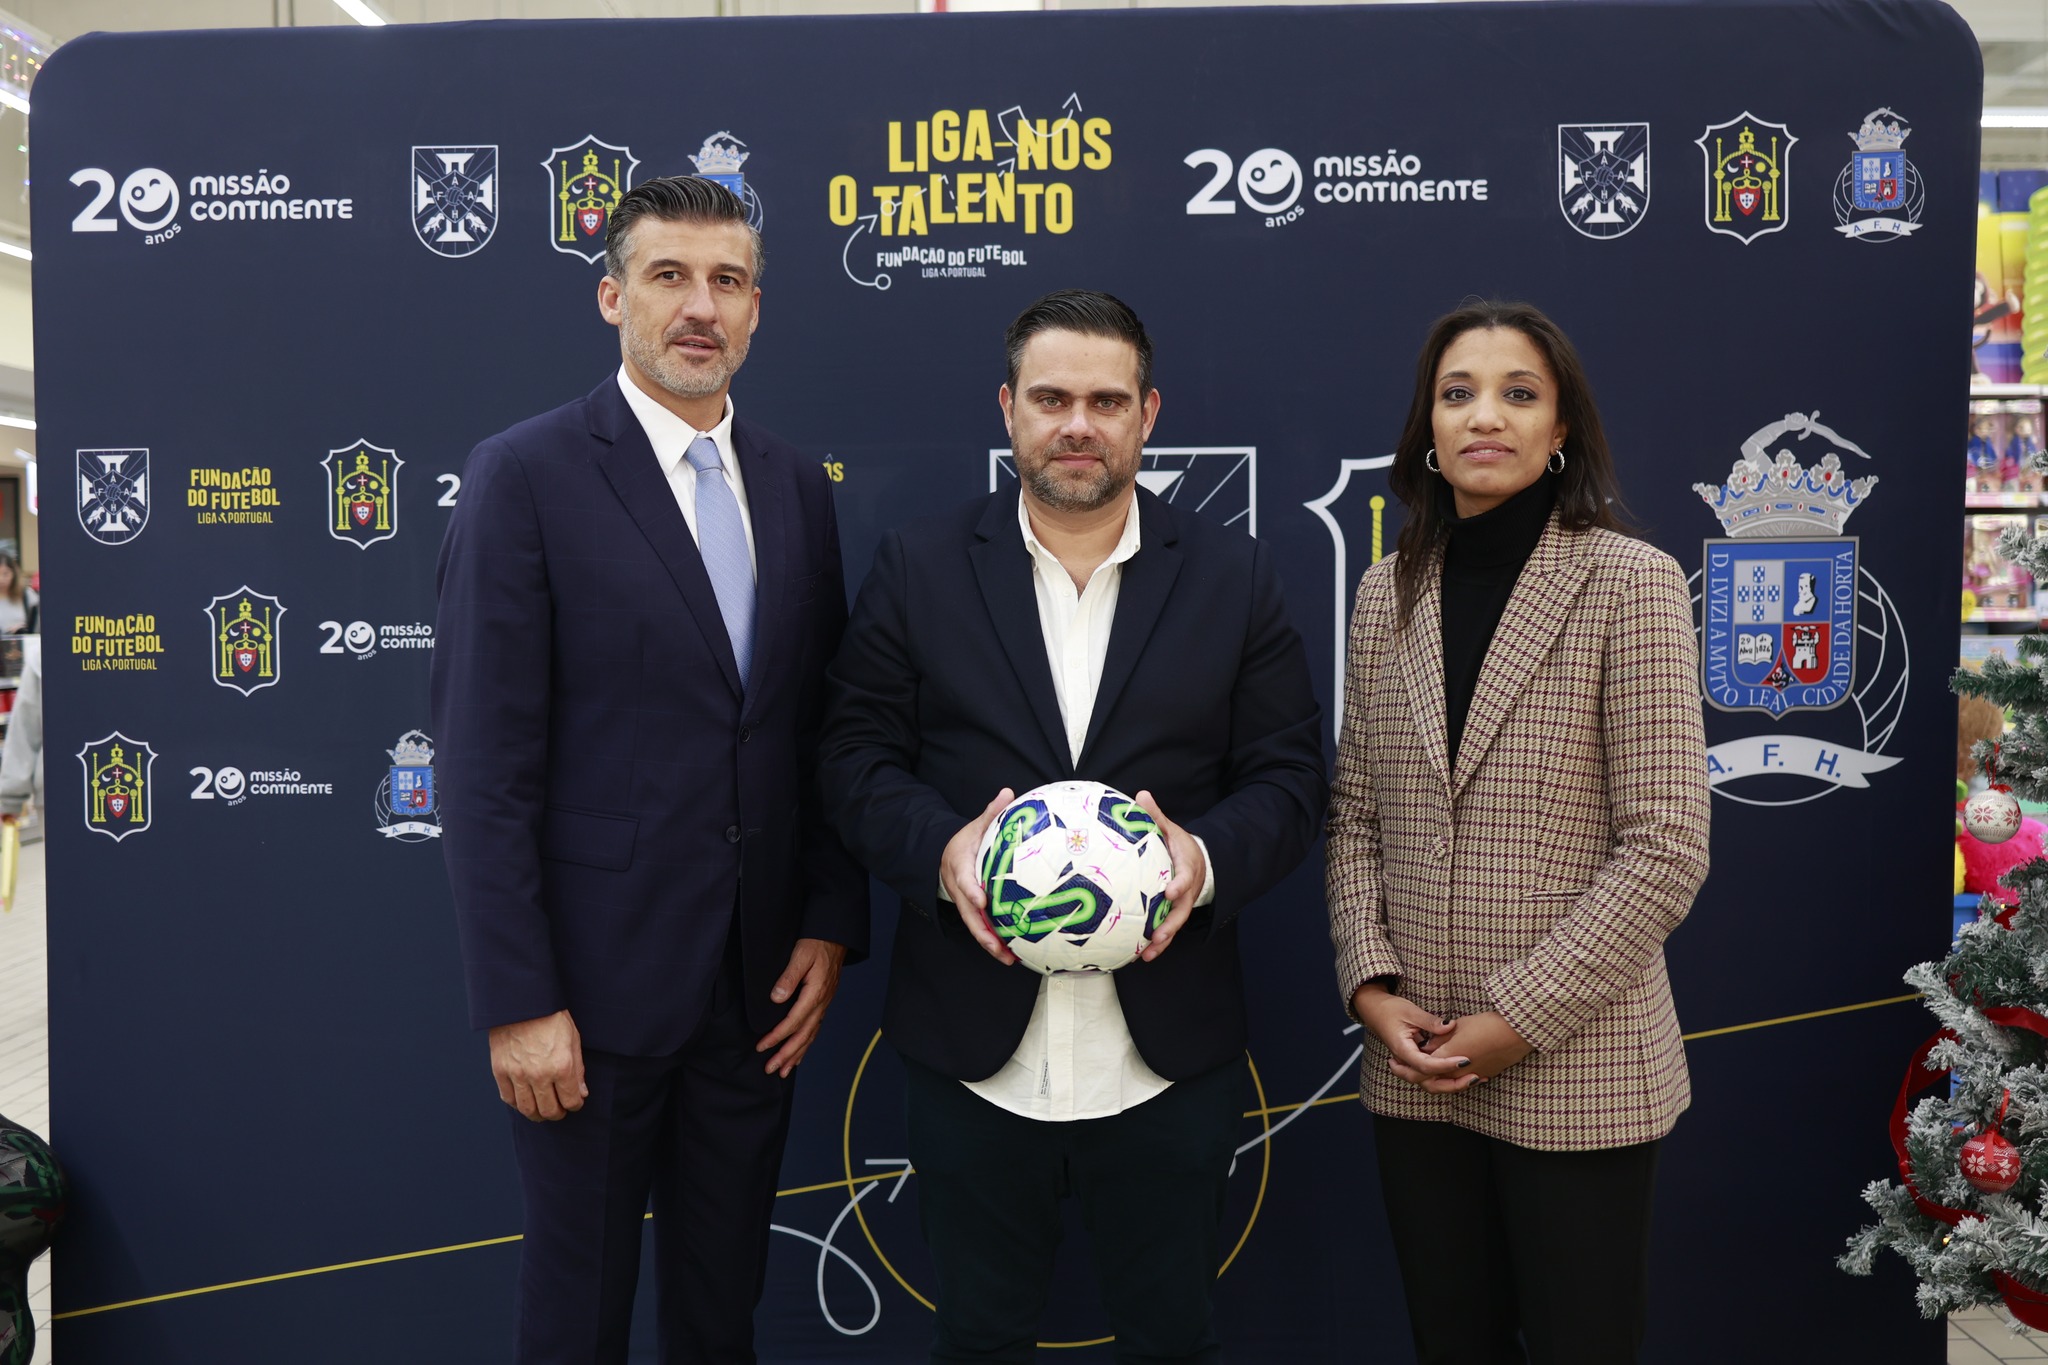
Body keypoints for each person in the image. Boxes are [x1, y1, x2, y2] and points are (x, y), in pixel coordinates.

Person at [819, 289, 1327, 1364]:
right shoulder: (918, 567)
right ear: (1008, 409)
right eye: (1050, 398)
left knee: (1168, 1338)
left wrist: (1196, 858)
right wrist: (944, 850)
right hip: (972, 1054)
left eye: (1105, 400)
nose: (1077, 425)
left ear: (1148, 414)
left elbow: (1287, 782)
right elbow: (853, 761)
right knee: (980, 1338)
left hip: (1164, 1055)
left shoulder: (1233, 576)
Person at [430, 174, 867, 1365]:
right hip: (587, 1003)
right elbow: (482, 767)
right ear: (612, 294)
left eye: (726, 281)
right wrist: (519, 1002)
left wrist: (827, 921)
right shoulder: (524, 475)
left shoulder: (790, 483)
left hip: (753, 996)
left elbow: (816, 725)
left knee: (720, 1312)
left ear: (757, 311)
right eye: (669, 276)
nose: (699, 306)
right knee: (577, 1318)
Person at [1325, 299, 1710, 1365]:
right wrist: (1370, 985)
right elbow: (1354, 813)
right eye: (1456, 394)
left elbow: (1666, 844)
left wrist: (1513, 1018)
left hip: (1573, 1063)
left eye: (1516, 393)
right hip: (1412, 1066)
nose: (1482, 415)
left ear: (1561, 434)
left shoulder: (1627, 582)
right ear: (1426, 430)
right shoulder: (1381, 594)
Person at [0, 553, 39, 635]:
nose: (1, 579)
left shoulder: (27, 595)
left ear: (14, 574)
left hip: (24, 644)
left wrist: (25, 628)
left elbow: (39, 624)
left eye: (6, 574)